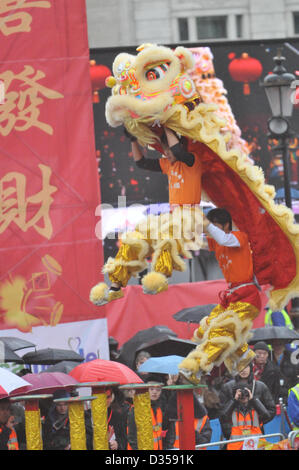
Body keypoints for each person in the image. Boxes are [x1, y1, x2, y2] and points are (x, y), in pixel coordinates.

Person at [90, 126, 205, 306]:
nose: (166, 154)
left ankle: (159, 277)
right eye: (164, 150)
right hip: (172, 218)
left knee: (167, 236)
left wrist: (166, 124)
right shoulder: (168, 164)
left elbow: (177, 151)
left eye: (168, 150)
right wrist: (133, 140)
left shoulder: (192, 162)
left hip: (190, 221)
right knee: (134, 238)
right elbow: (141, 163)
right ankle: (115, 287)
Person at [179, 208, 261, 383]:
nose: (211, 231)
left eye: (215, 227)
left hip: (247, 298)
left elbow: (222, 237)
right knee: (206, 326)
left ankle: (197, 368)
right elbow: (194, 242)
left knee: (220, 330)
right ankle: (244, 354)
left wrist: (205, 224)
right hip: (231, 298)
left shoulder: (239, 237)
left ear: (226, 225)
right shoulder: (216, 241)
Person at [219, 364, 276, 450]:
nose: (243, 370)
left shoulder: (260, 386)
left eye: (246, 367)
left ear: (251, 368)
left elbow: (271, 411)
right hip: (234, 440)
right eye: (240, 367)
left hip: (256, 436)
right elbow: (221, 414)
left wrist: (258, 422)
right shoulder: (227, 387)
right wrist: (229, 433)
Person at [127, 382, 175, 450]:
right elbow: (132, 437)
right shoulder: (136, 409)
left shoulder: (159, 408)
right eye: (151, 389)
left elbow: (165, 430)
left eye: (158, 390)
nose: (155, 392)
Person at [271, 339, 299, 403]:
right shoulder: (269, 358)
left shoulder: (292, 358)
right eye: (275, 344)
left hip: (289, 394)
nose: (278, 347)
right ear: (272, 346)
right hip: (273, 396)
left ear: (284, 345)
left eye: (280, 344)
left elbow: (296, 377)